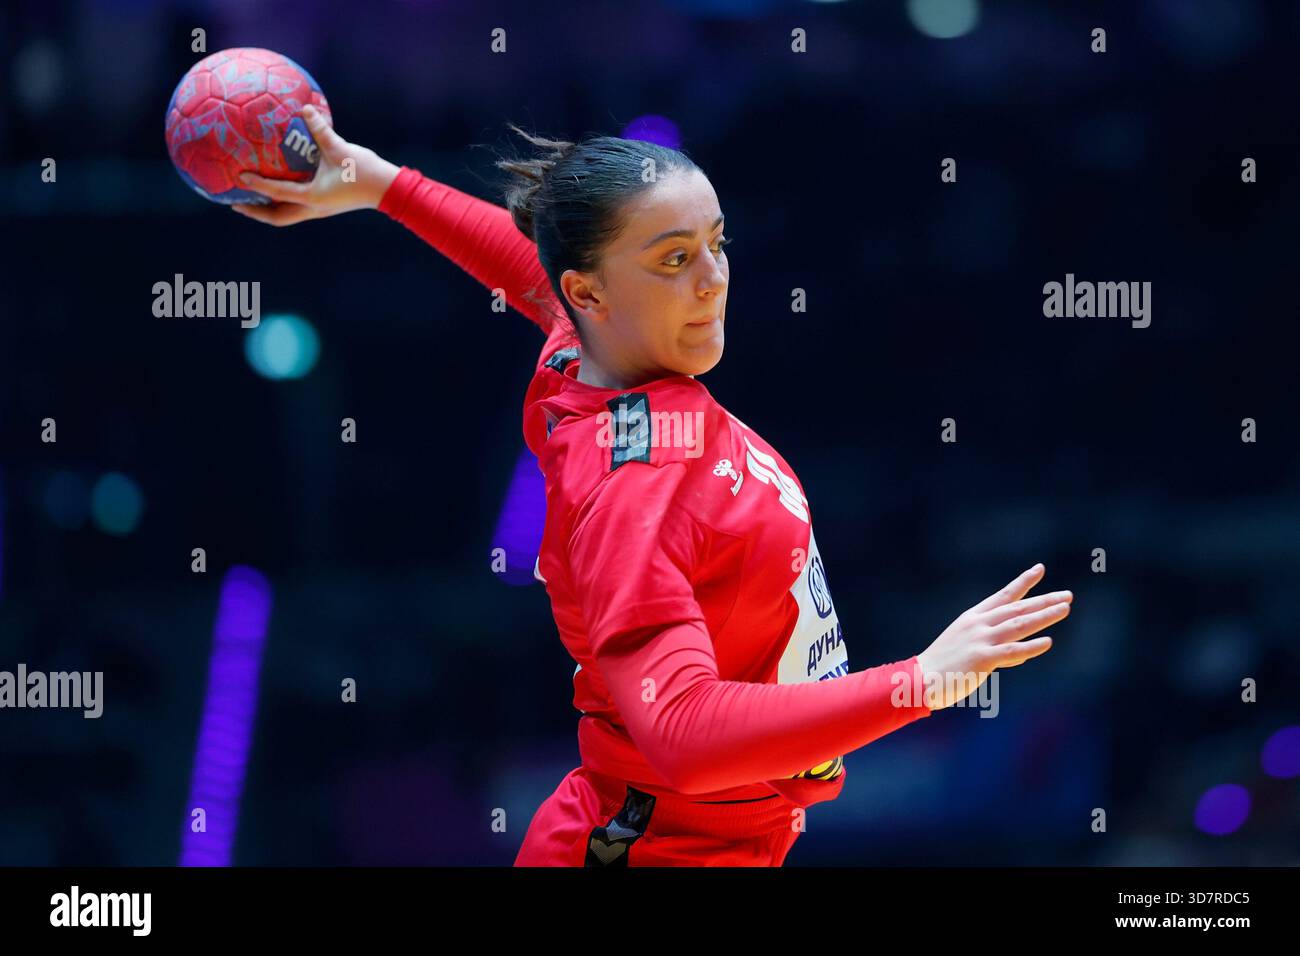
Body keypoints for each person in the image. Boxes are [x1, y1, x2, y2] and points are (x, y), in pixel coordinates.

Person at [234, 105, 1073, 866]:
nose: (712, 279)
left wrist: (380, 183)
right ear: (591, 293)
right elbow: (682, 734)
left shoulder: (585, 354)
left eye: (717, 242)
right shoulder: (634, 492)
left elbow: (528, 268)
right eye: (674, 258)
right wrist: (923, 680)